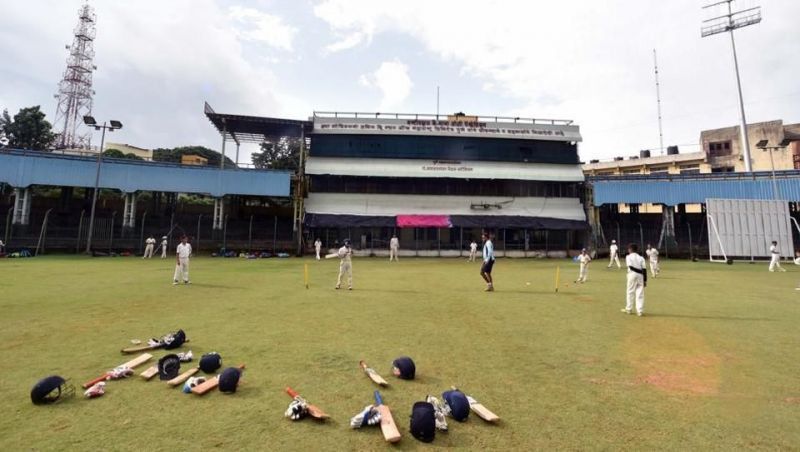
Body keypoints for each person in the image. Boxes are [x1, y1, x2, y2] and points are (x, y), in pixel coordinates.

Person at [621, 243, 647, 317]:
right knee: (640, 293)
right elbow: (644, 270)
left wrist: (639, 272)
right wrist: (645, 280)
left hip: (632, 274)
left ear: (630, 249)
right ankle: (640, 311)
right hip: (640, 276)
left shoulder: (628, 257)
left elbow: (631, 267)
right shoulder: (641, 258)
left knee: (630, 291)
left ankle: (629, 309)